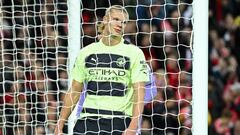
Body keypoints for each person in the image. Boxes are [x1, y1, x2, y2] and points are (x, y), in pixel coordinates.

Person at [54, 5, 149, 135]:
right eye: (116, 19)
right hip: (87, 121)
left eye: (124, 22)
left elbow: (140, 93)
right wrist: (60, 123)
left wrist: (133, 126)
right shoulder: (86, 52)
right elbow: (75, 90)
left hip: (118, 121)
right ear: (105, 19)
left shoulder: (134, 53)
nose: (120, 24)